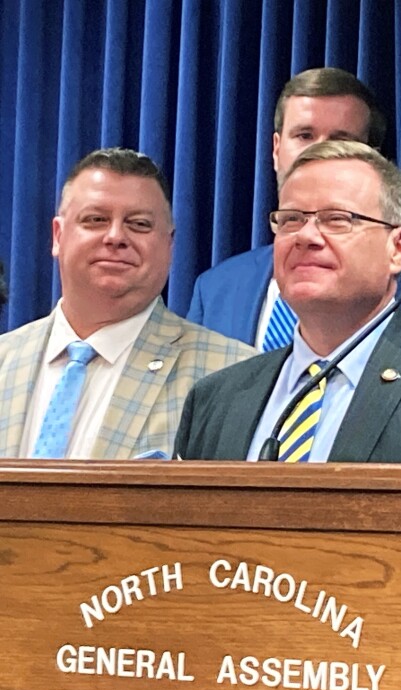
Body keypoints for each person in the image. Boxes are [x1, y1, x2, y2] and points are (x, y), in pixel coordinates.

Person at [175, 141, 401, 462]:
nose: (306, 237)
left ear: (399, 248)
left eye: (337, 219)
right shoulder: (214, 398)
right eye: (291, 219)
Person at [0, 148, 256, 460]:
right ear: (58, 235)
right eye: (95, 220)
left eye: (139, 224)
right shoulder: (5, 357)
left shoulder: (234, 377)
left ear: (170, 244)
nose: (115, 236)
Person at [186, 67, 386, 349]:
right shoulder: (215, 289)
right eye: (304, 135)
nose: (318, 153)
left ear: (372, 158)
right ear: (276, 149)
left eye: (341, 140)